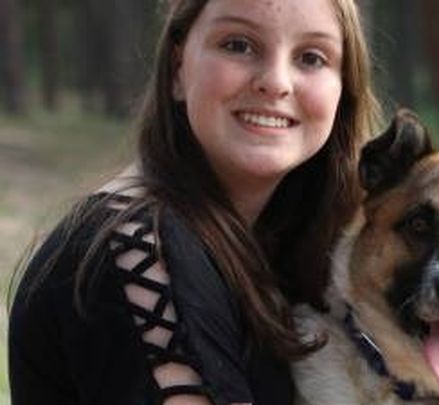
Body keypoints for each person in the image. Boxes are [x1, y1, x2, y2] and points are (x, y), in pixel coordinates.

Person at [8, 0, 379, 404]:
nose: (276, 82)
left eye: (311, 57)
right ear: (177, 70)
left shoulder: (278, 245)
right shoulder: (141, 249)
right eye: (238, 45)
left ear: (343, 89)